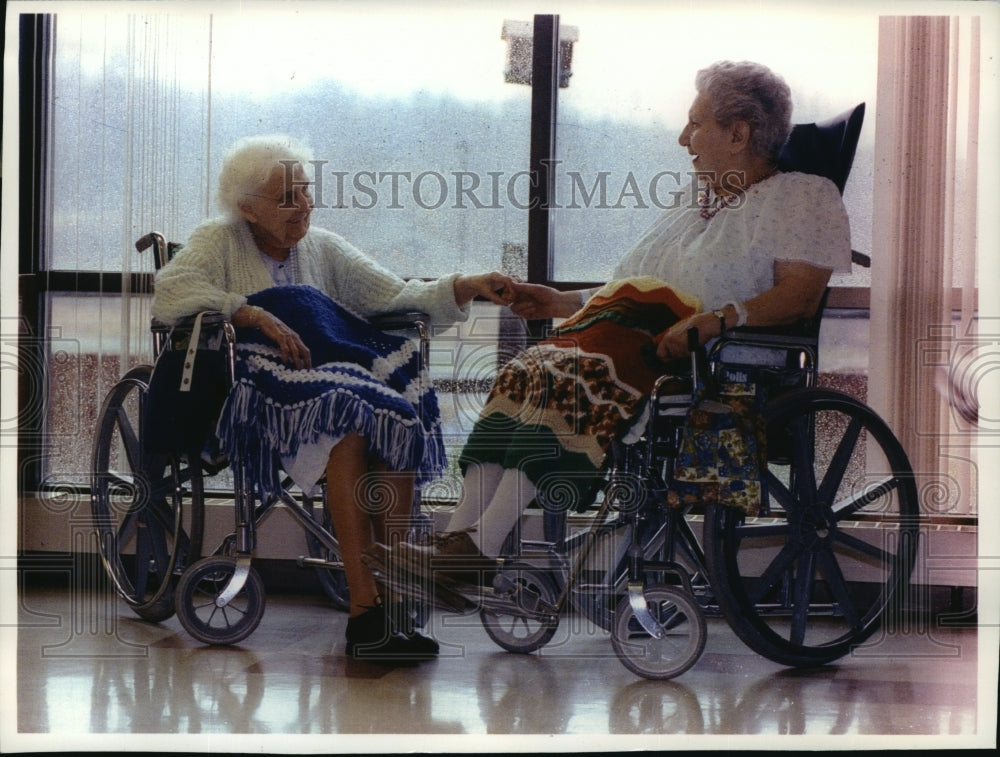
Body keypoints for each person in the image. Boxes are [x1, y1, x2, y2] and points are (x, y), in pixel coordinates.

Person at [388, 60, 853, 586]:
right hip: (626, 340)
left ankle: (480, 546)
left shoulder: (802, 196)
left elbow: (798, 296)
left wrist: (720, 320)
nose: (683, 138)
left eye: (696, 123)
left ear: (739, 133)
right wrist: (556, 301)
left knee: (566, 377)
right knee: (525, 371)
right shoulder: (692, 203)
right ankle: (461, 538)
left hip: (715, 360)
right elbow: (629, 288)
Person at [151, 134, 515, 662]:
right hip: (263, 394)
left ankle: (393, 601)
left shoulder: (321, 247)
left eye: (305, 192)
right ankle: (365, 614)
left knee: (395, 416)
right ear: (248, 209)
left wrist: (468, 284)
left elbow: (395, 295)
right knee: (348, 430)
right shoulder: (218, 241)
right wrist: (249, 312)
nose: (303, 206)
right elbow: (171, 292)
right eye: (287, 198)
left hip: (328, 386)